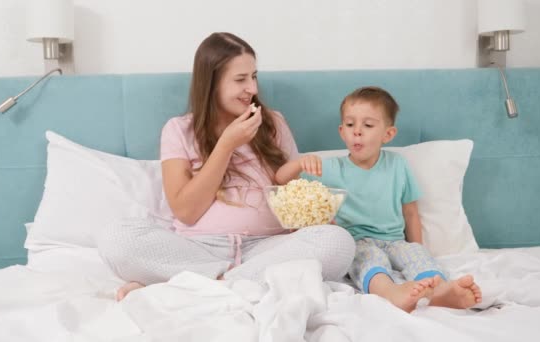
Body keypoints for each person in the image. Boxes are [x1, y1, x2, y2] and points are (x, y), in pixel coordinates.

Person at [97, 32, 356, 301]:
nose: (252, 89)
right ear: (212, 83)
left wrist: (315, 217)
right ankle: (240, 281)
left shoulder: (273, 123)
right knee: (116, 238)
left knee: (338, 241)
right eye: (240, 79)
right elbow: (186, 211)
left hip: (267, 248)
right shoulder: (179, 130)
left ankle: (198, 284)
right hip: (198, 249)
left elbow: (290, 197)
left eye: (253, 77)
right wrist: (226, 145)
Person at [275, 86, 482, 313]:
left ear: (388, 134)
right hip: (357, 241)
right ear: (342, 131)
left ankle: (441, 291)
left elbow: (410, 212)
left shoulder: (398, 165)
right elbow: (280, 178)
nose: (357, 132)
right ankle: (391, 294)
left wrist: (417, 246)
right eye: (350, 125)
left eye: (368, 125)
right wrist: (299, 164)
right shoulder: (330, 168)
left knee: (418, 256)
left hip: (395, 240)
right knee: (369, 261)